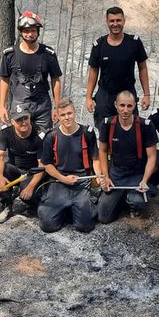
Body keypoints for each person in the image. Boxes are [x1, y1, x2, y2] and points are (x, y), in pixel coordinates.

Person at [37, 98, 100, 233]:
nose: (67, 117)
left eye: (69, 113)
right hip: (59, 181)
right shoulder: (51, 136)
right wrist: (63, 178)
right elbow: (47, 165)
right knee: (48, 225)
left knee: (85, 226)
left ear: (75, 112)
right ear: (58, 116)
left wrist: (100, 176)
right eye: (63, 115)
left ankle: (83, 206)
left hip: (81, 182)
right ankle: (65, 208)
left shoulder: (87, 133)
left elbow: (96, 159)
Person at [85, 6, 150, 130]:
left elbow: (143, 68)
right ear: (107, 22)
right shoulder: (99, 45)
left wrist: (147, 94)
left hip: (127, 94)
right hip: (105, 95)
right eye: (112, 21)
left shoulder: (134, 43)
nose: (115, 24)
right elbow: (93, 71)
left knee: (130, 131)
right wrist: (88, 97)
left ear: (124, 20)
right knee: (104, 133)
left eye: (118, 20)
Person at [97, 91, 158, 223]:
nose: (125, 110)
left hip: (137, 173)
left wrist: (145, 180)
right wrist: (105, 177)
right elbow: (102, 150)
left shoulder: (145, 126)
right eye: (122, 105)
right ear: (116, 105)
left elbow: (152, 156)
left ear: (134, 106)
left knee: (137, 202)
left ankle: (137, 196)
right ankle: (121, 198)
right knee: (104, 217)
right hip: (117, 173)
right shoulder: (107, 124)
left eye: (129, 106)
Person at [0, 11, 62, 134]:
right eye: (26, 31)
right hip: (19, 105)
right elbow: (4, 80)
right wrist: (2, 106)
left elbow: (56, 80)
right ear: (21, 32)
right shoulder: (10, 54)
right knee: (19, 141)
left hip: (42, 107)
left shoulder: (48, 54)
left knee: (45, 141)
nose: (30, 34)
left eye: (33, 31)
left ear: (38, 31)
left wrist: (57, 106)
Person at [0, 102, 46, 224]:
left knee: (28, 196)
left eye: (25, 118)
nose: (24, 122)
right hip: (14, 170)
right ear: (12, 122)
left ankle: (31, 202)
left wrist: (30, 187)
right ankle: (6, 205)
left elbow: (42, 166)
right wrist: (0, 178)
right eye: (19, 120)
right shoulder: (5, 133)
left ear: (30, 117)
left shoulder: (40, 135)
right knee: (0, 171)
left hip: (32, 172)